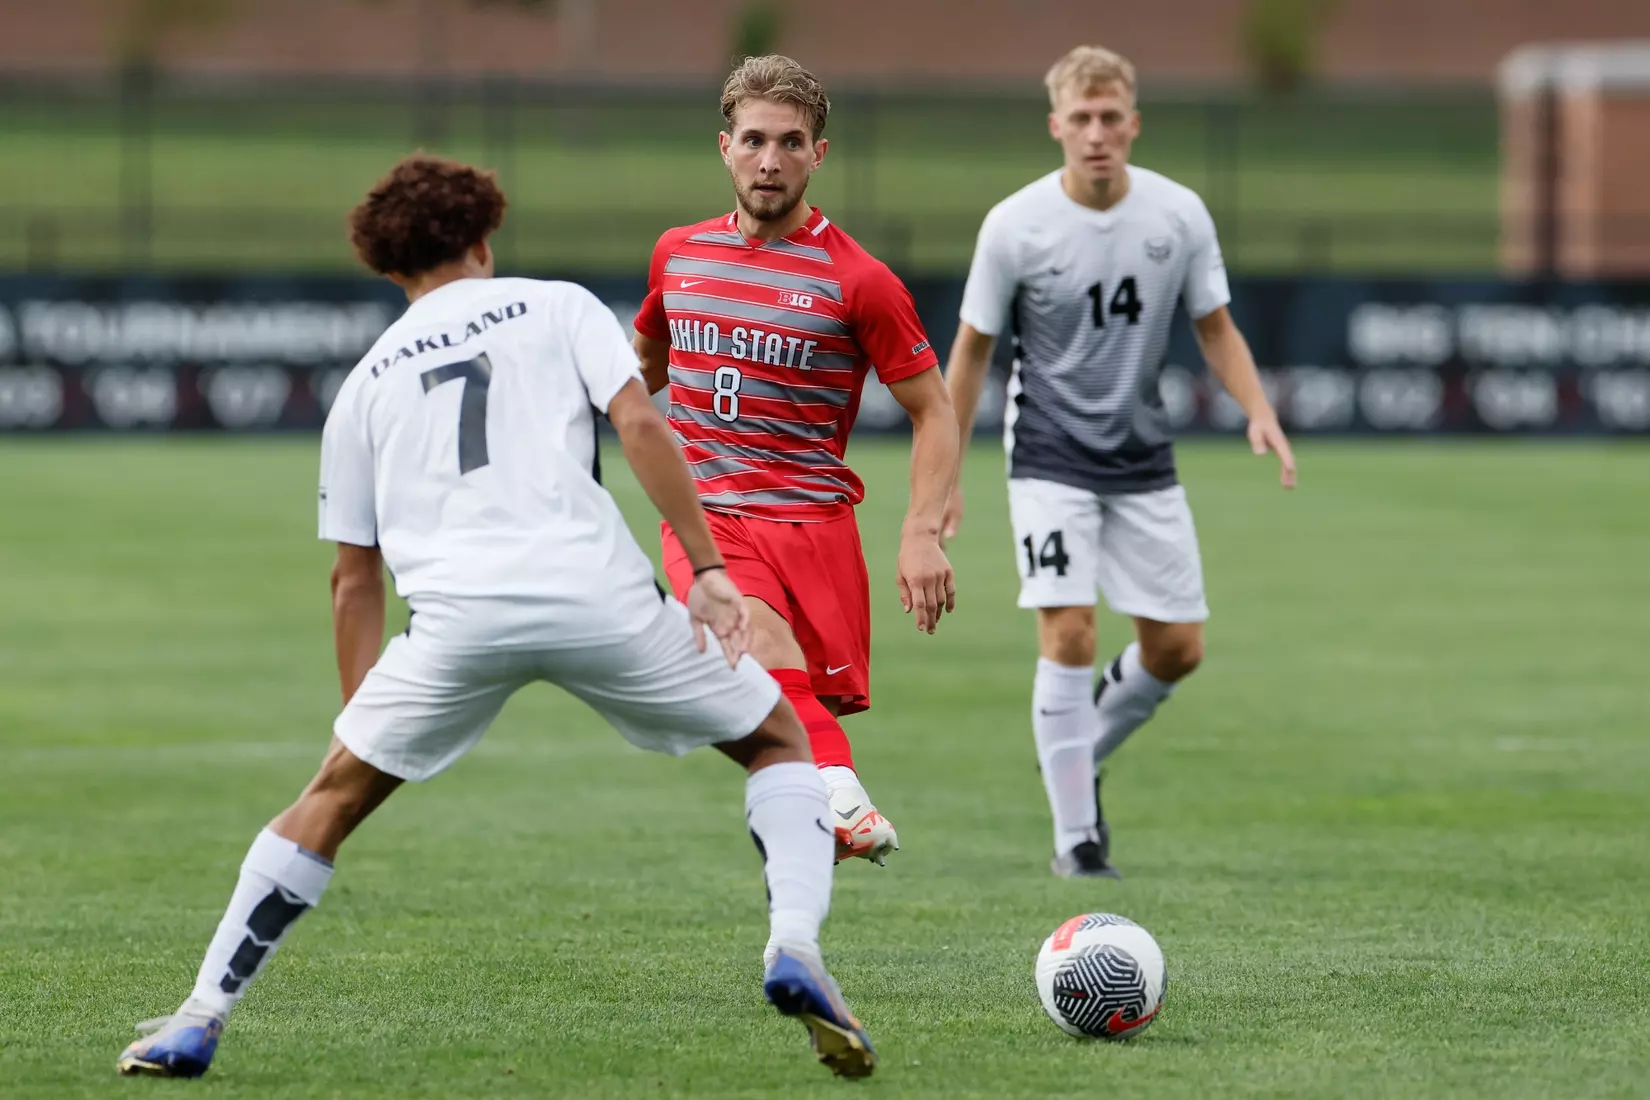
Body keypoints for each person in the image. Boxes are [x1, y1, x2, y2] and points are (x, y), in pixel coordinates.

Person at [116, 154, 876, 1081]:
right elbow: (642, 425)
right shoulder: (557, 304)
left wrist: (362, 716)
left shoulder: (362, 386)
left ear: (391, 269)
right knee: (777, 741)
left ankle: (200, 1015)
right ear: (483, 237)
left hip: (457, 619)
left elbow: (353, 582)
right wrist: (708, 568)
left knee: (329, 799)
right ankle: (794, 946)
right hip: (596, 592)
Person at [942, 46, 1297, 879]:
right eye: (1082, 119)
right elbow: (969, 354)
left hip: (1142, 453)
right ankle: (1078, 843)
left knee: (1178, 648)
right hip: (1049, 452)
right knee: (1068, 627)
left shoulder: (1178, 216)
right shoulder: (1015, 225)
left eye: (1111, 119)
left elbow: (1215, 326)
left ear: (1132, 125)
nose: (1097, 134)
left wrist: (1259, 409)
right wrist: (944, 473)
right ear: (1056, 126)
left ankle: (1075, 747)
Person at [632, 55, 960, 877]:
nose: (768, 160)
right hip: (710, 515)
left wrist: (921, 532)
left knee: (779, 706)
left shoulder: (861, 282)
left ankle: (808, 831)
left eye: (789, 142)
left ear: (819, 154)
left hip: (814, 527)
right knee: (748, 634)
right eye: (753, 140)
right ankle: (842, 800)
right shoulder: (678, 255)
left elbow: (935, 409)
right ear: (724, 146)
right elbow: (640, 373)